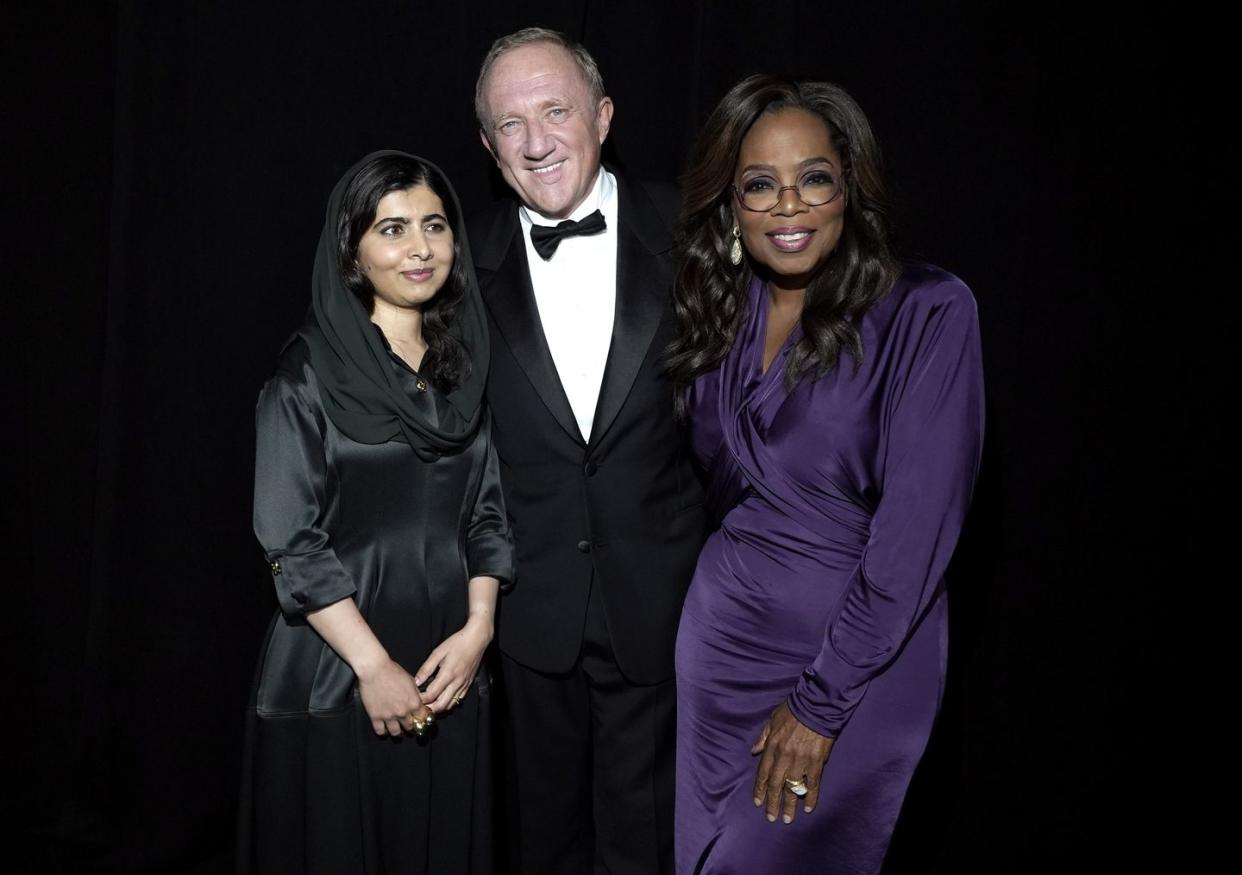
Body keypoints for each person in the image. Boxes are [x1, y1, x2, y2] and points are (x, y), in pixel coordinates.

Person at [666, 75, 985, 874]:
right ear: (731, 207)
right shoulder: (719, 312)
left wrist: (819, 702)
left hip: (858, 666)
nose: (788, 205)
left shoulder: (927, 313)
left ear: (850, 188)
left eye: (813, 178)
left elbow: (916, 536)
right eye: (760, 186)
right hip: (721, 663)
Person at [469, 27, 705, 875]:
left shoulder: (695, 230)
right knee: (542, 843)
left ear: (602, 117)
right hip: (530, 614)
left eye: (555, 110)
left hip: (663, 603)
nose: (535, 142)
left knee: (649, 845)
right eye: (509, 124)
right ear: (490, 148)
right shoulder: (459, 262)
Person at [238, 150, 514, 875]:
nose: (420, 247)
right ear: (352, 249)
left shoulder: (464, 365)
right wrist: (373, 666)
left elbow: (486, 514)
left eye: (434, 225)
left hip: (450, 664)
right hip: (340, 666)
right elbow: (291, 542)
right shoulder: (305, 373)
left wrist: (480, 631)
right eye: (392, 229)